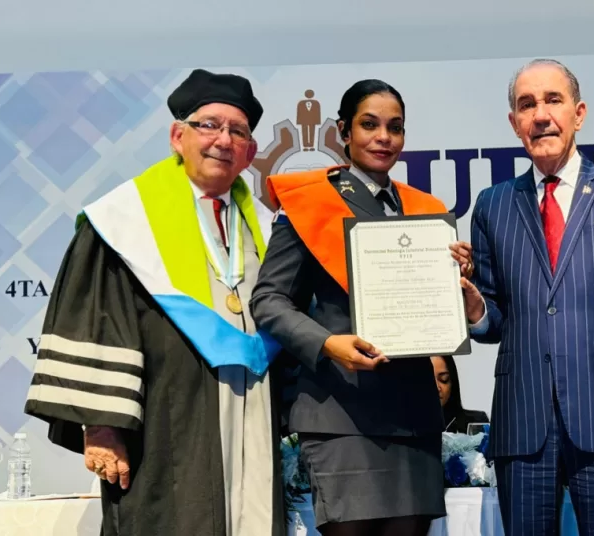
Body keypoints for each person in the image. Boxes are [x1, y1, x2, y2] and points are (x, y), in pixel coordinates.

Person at [24, 69, 285, 536]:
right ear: (177, 137)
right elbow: (96, 317)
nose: (223, 140)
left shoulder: (268, 227)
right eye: (209, 125)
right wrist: (101, 427)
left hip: (254, 414)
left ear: (250, 152)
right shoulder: (124, 220)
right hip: (165, 423)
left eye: (238, 131)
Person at [456, 59, 594, 535]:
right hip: (523, 425)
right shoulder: (492, 204)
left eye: (553, 101)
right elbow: (495, 324)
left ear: (579, 114)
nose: (540, 115)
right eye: (527, 105)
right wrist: (474, 304)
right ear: (514, 122)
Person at [251, 79, 466, 536]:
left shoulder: (425, 210)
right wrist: (327, 343)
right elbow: (268, 301)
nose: (383, 137)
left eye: (395, 127)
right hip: (340, 412)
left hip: (413, 417)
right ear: (344, 132)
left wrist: (455, 279)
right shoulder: (309, 203)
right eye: (369, 125)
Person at [431, 355, 489, 434]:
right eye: (429, 380)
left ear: (453, 382)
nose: (437, 388)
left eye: (444, 379)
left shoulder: (476, 422)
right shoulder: (413, 428)